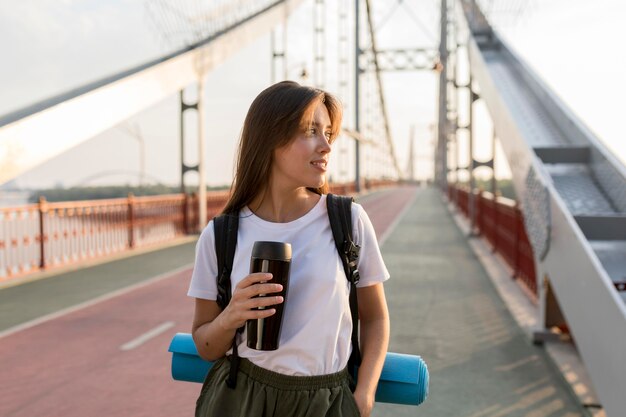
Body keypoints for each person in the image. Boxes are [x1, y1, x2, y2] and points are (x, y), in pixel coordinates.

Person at [188, 81, 390, 417]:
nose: (326, 145)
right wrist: (233, 314)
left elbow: (376, 318)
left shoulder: (347, 220)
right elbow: (206, 345)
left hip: (326, 400)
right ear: (270, 138)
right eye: (310, 131)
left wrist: (363, 396)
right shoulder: (221, 234)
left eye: (328, 133)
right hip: (243, 400)